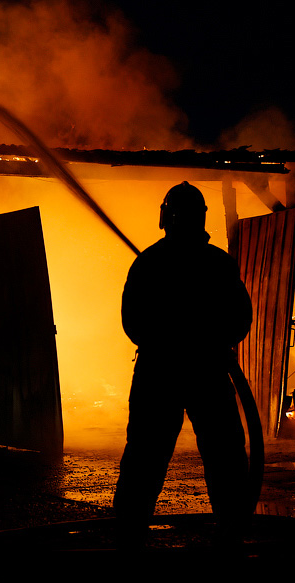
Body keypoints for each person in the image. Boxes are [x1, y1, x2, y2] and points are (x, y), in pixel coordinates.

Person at [113, 181, 253, 549]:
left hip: (160, 373)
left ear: (166, 216)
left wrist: (168, 343)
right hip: (207, 371)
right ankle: (233, 530)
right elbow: (240, 318)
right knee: (224, 454)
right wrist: (210, 343)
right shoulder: (217, 263)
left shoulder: (150, 262)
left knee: (145, 453)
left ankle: (129, 536)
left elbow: (133, 322)